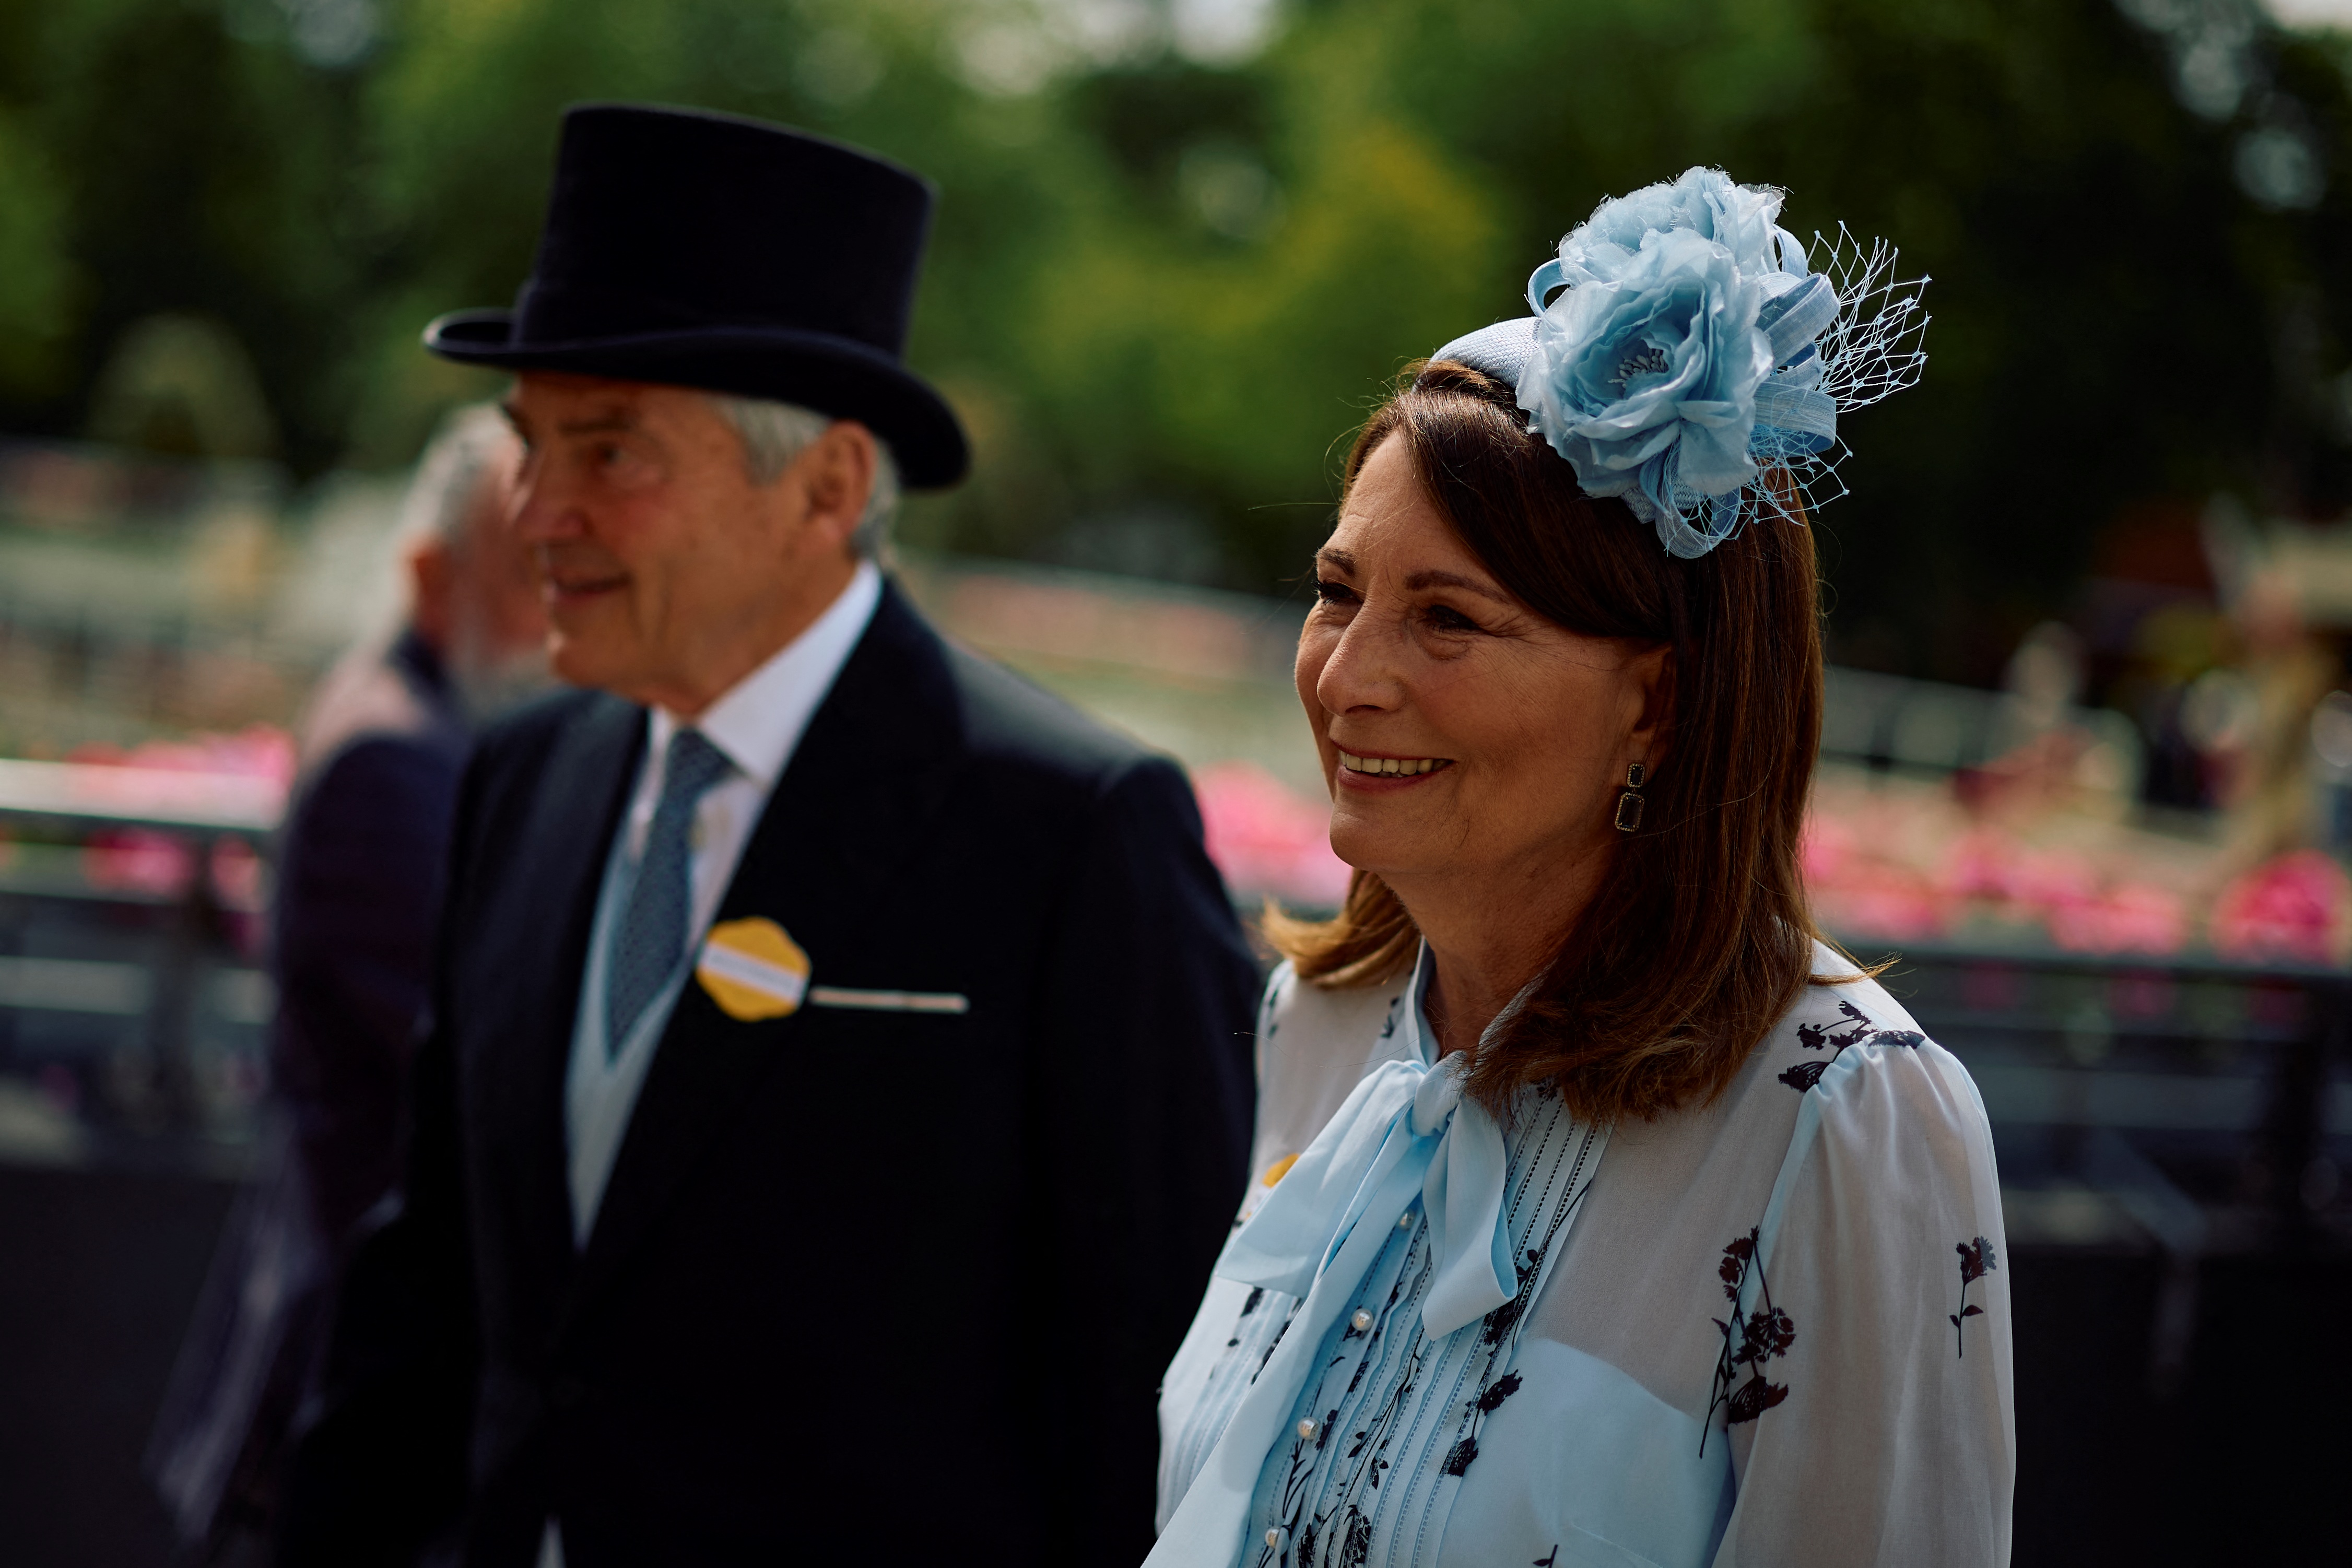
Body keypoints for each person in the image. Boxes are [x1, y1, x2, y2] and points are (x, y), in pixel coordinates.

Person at [279, 104, 1260, 1567]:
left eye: (608, 450)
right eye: (529, 444)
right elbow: (429, 1290)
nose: (539, 511)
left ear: (828, 486)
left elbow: (1150, 1392)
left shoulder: (1072, 834)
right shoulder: (522, 777)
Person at [1153, 169, 2012, 1566]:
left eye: (1451, 620)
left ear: (1658, 705)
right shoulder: (1319, 1019)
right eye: (1338, 591)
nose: (1350, 677)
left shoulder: (1849, 1118)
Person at [147, 405, 546, 1560]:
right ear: (432, 575)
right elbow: (463, 1072)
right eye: (529, 573)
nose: (561, 615)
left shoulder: (417, 718)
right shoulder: (396, 755)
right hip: (346, 1394)